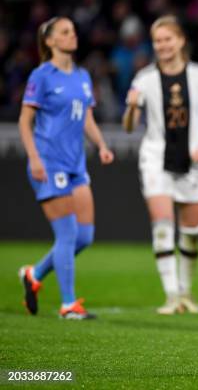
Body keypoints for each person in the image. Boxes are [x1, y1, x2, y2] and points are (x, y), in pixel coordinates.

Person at [18, 16, 114, 319]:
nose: (72, 35)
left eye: (73, 31)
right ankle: (68, 305)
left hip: (75, 164)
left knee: (84, 237)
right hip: (49, 161)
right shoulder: (41, 75)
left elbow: (86, 117)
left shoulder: (83, 75)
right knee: (67, 234)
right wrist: (34, 157)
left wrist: (101, 145)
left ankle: (33, 275)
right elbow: (24, 120)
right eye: (65, 32)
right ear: (50, 41)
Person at [123, 15, 198, 315]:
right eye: (157, 41)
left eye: (167, 39)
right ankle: (172, 296)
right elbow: (129, 127)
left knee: (192, 232)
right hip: (156, 158)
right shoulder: (144, 79)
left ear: (180, 41)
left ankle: (186, 292)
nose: (162, 45)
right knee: (163, 225)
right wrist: (130, 106)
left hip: (191, 159)